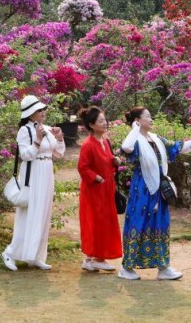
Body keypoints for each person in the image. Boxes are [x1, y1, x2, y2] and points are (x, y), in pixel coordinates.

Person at [118, 106, 191, 281]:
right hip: (141, 189)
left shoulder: (156, 139)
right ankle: (126, 268)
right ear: (137, 121)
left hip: (159, 188)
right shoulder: (134, 140)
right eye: (148, 117)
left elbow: (180, 147)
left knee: (161, 224)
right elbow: (126, 147)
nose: (151, 120)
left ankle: (163, 267)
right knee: (139, 223)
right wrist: (135, 129)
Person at [1, 95, 66, 271]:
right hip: (33, 174)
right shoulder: (25, 131)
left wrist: (59, 138)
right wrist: (37, 140)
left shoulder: (46, 128)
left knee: (43, 213)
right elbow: (25, 156)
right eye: (39, 110)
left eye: (43, 109)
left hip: (46, 172)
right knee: (29, 214)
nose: (43, 112)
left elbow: (58, 153)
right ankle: (10, 252)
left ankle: (36, 255)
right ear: (30, 113)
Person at [77, 106, 122, 272]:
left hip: (107, 189)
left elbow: (107, 161)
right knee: (93, 223)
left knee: (104, 223)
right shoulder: (88, 145)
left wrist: (115, 161)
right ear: (92, 124)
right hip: (94, 190)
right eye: (101, 121)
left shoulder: (105, 141)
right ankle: (94, 257)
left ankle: (93, 258)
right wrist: (95, 177)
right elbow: (83, 167)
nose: (105, 123)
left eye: (105, 120)